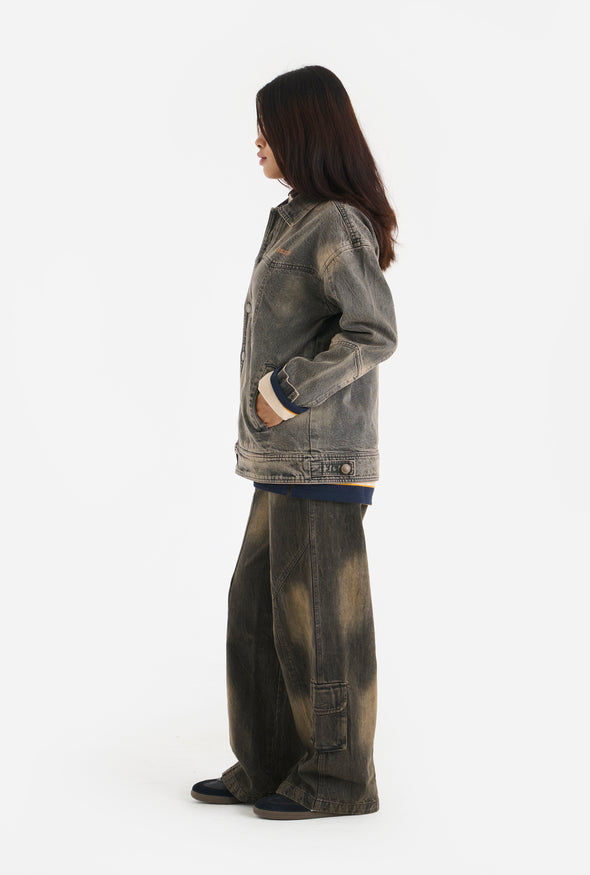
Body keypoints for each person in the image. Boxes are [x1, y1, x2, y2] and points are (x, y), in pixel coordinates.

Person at [191, 65, 398, 820]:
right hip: (282, 458)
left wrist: (285, 391)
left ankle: (339, 780)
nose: (257, 141)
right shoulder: (294, 218)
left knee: (319, 623)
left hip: (320, 454)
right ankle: (270, 762)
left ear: (304, 132)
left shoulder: (336, 221)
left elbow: (374, 330)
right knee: (256, 611)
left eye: (269, 128)